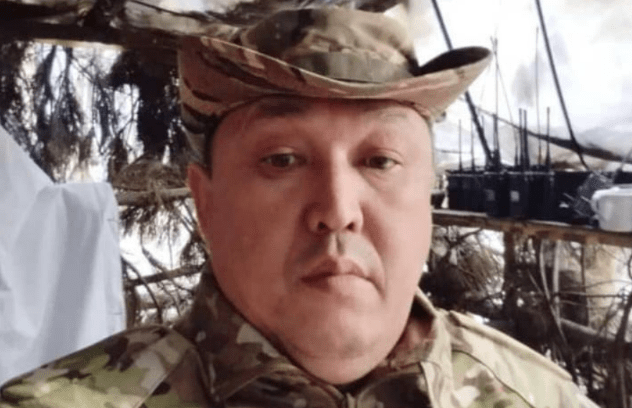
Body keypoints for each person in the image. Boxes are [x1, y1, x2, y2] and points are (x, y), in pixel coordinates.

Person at [0, 6, 598, 408]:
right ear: (206, 204)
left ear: (428, 200)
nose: (337, 210)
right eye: (282, 160)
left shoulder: (539, 398)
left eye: (380, 161)